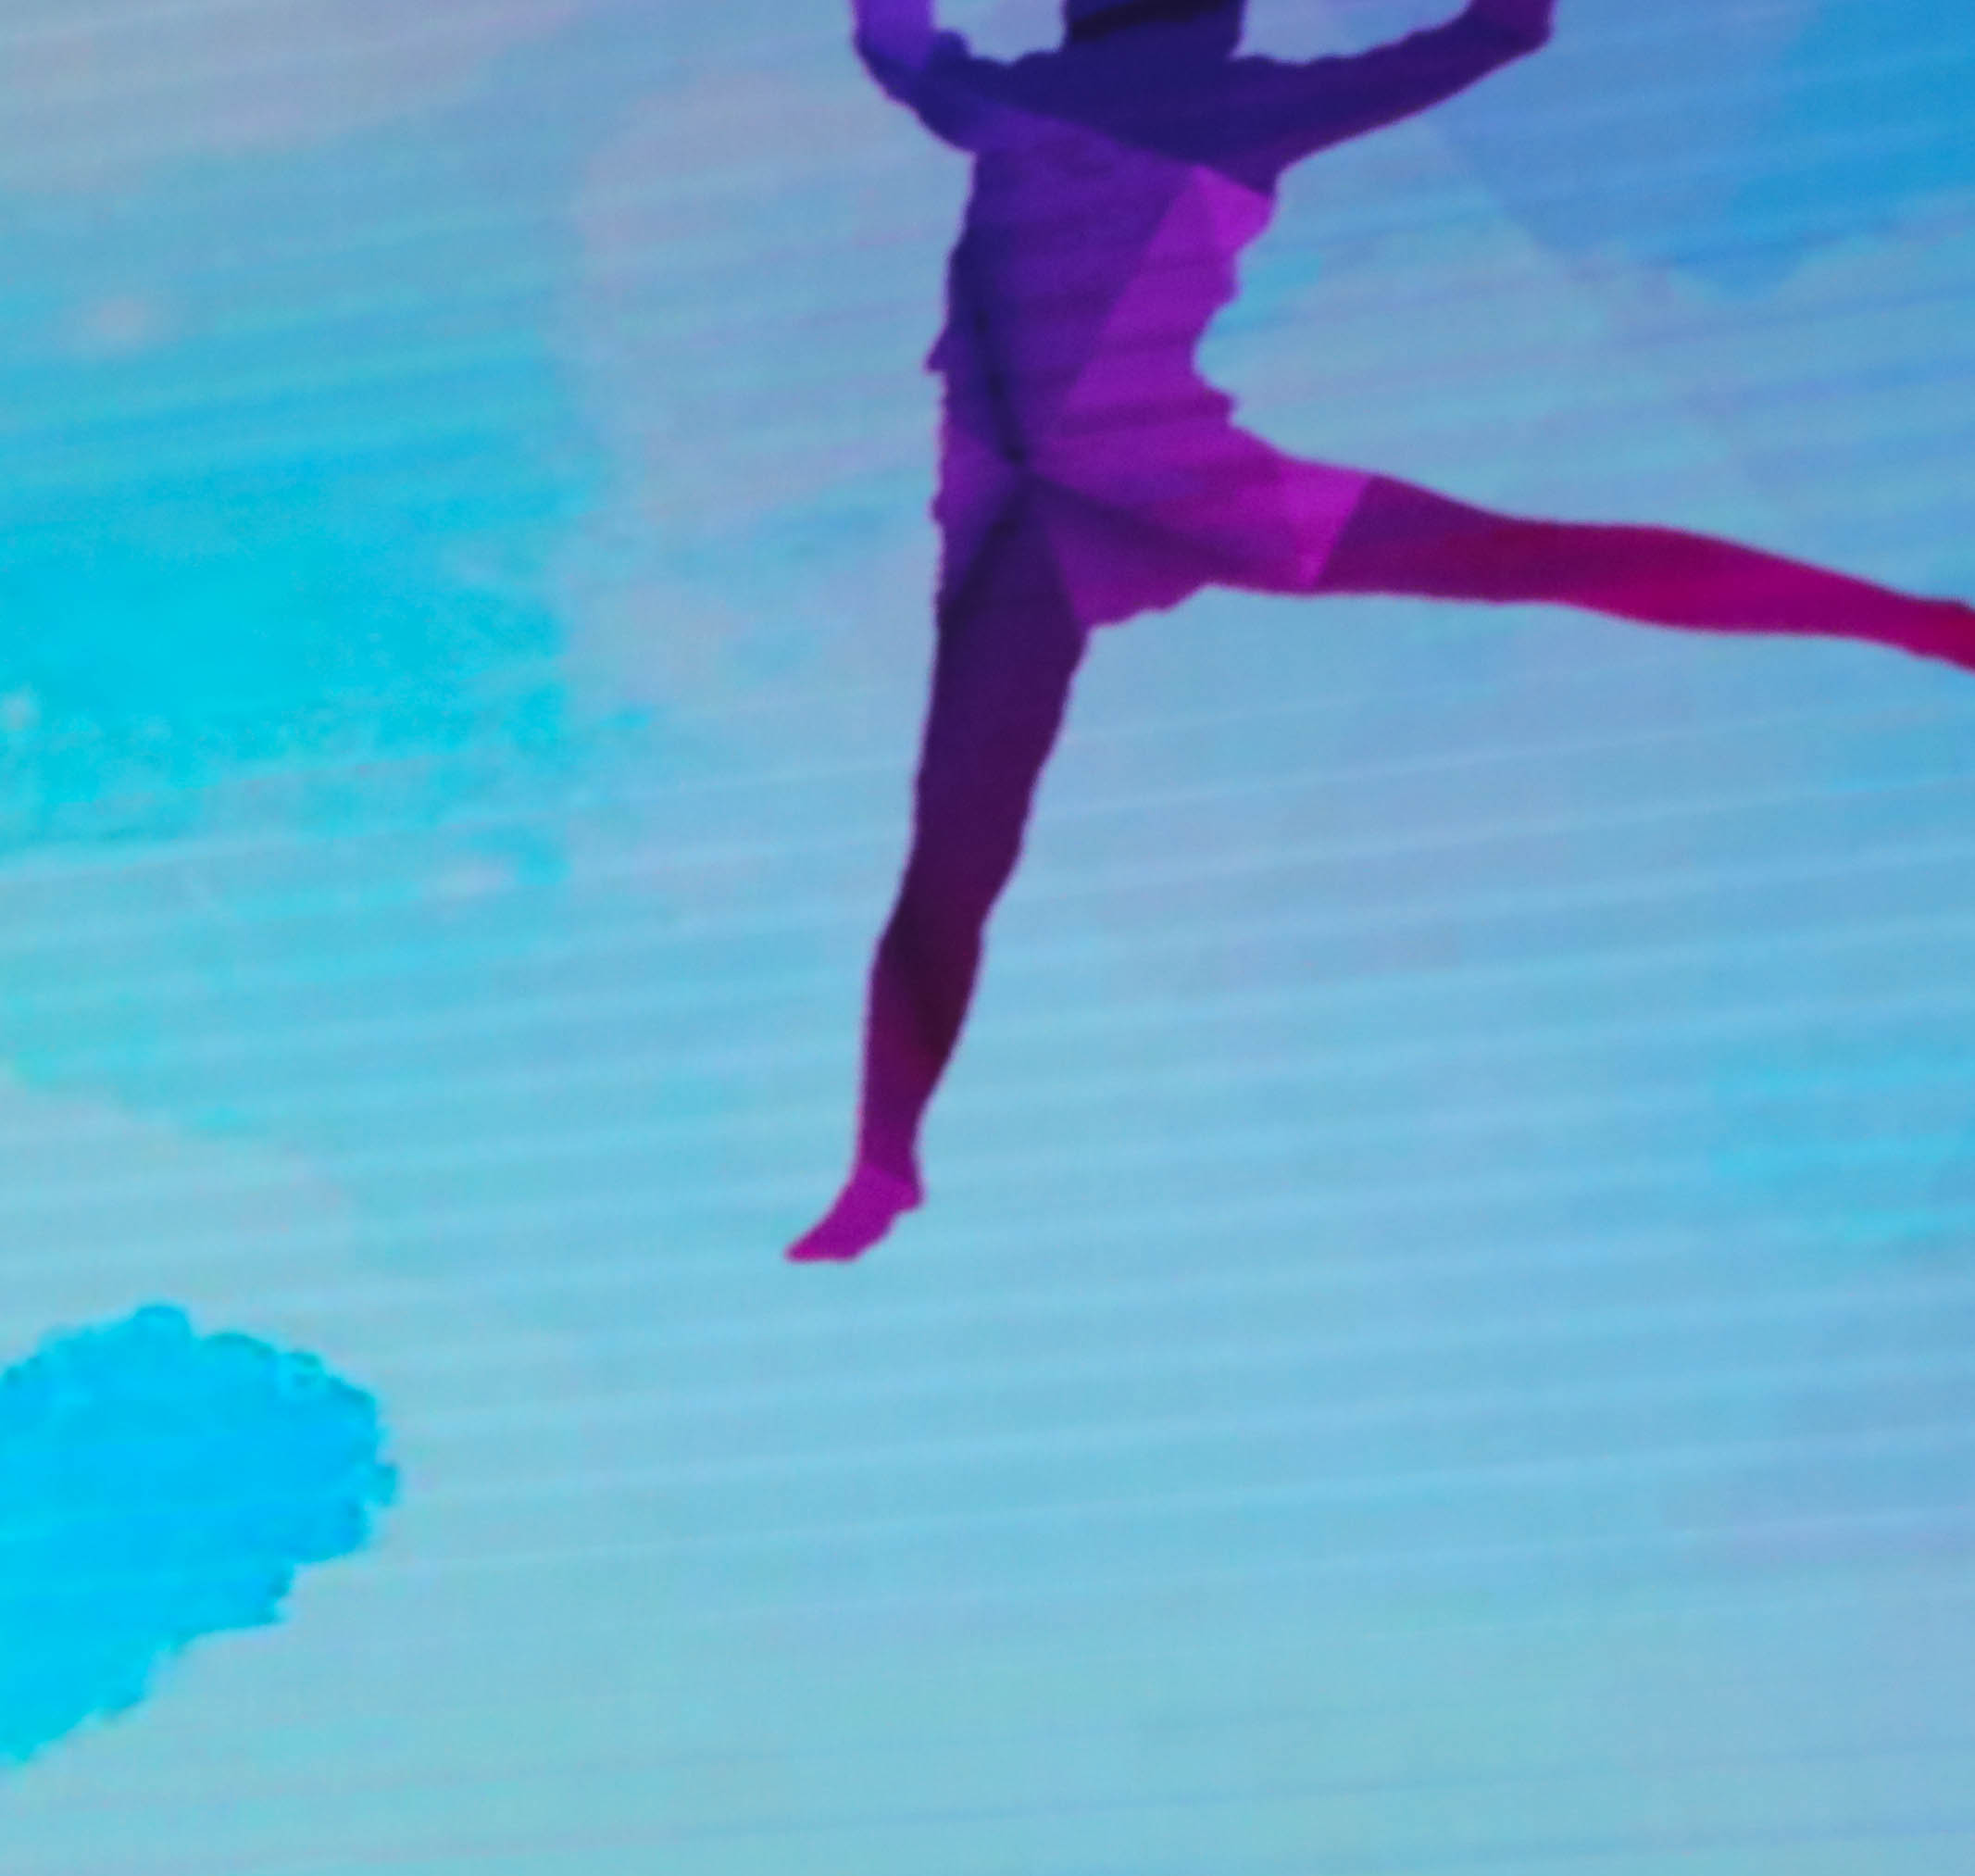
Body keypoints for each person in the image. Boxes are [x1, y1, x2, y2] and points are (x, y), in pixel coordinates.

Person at [798, 0, 1975, 1261]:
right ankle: (1922, 624)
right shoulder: (1190, 102)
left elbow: (893, 44)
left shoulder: (1014, 103)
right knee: (1538, 562)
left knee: (955, 857)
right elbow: (1494, 38)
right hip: (1109, 502)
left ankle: (885, 1161)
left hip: (1069, 515)